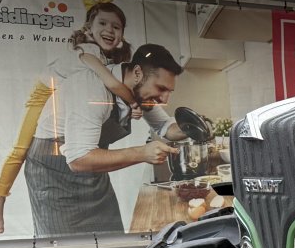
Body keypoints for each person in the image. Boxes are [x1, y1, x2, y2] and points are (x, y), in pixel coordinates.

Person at [0, 0, 135, 234]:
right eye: (103, 23)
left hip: (75, 150)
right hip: (43, 96)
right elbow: (113, 84)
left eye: (116, 27)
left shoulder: (110, 60)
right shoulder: (87, 53)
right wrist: (137, 102)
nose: (109, 30)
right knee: (20, 150)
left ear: (122, 35)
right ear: (88, 28)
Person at [21, 44, 187, 238]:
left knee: (111, 239)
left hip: (91, 171)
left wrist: (194, 126)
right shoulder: (90, 87)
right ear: (137, 72)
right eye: (161, 89)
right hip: (55, 177)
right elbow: (78, 159)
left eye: (169, 91)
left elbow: (166, 127)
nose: (164, 98)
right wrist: (142, 153)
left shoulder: (138, 93)